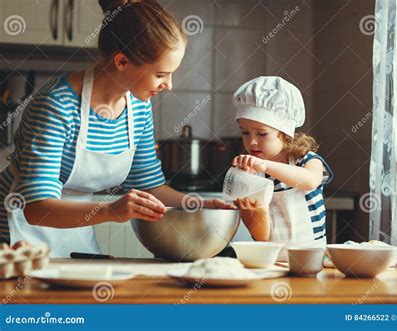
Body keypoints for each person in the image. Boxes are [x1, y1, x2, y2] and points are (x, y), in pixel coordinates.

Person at [0, 0, 232, 257]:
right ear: (122, 61)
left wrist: (199, 205)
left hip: (74, 231)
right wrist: (110, 211)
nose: (169, 85)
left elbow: (150, 187)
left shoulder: (138, 107)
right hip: (14, 237)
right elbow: (37, 208)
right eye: (160, 74)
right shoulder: (57, 105)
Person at [231, 76, 334, 252]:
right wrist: (257, 212)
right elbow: (261, 237)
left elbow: (310, 181)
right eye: (245, 133)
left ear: (285, 133)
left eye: (262, 134)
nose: (252, 142)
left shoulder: (307, 160)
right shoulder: (252, 175)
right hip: (271, 260)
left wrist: (265, 165)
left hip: (311, 257)